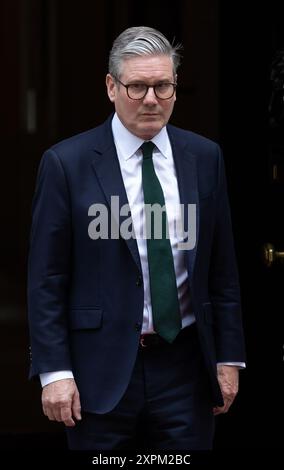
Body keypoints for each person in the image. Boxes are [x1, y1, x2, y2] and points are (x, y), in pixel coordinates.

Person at [27, 26, 246, 450]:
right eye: (137, 86)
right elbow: (46, 279)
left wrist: (228, 357)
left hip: (186, 368)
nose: (151, 99)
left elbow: (223, 269)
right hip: (98, 373)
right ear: (111, 87)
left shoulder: (204, 157)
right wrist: (54, 372)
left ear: (175, 87)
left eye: (162, 86)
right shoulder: (66, 164)